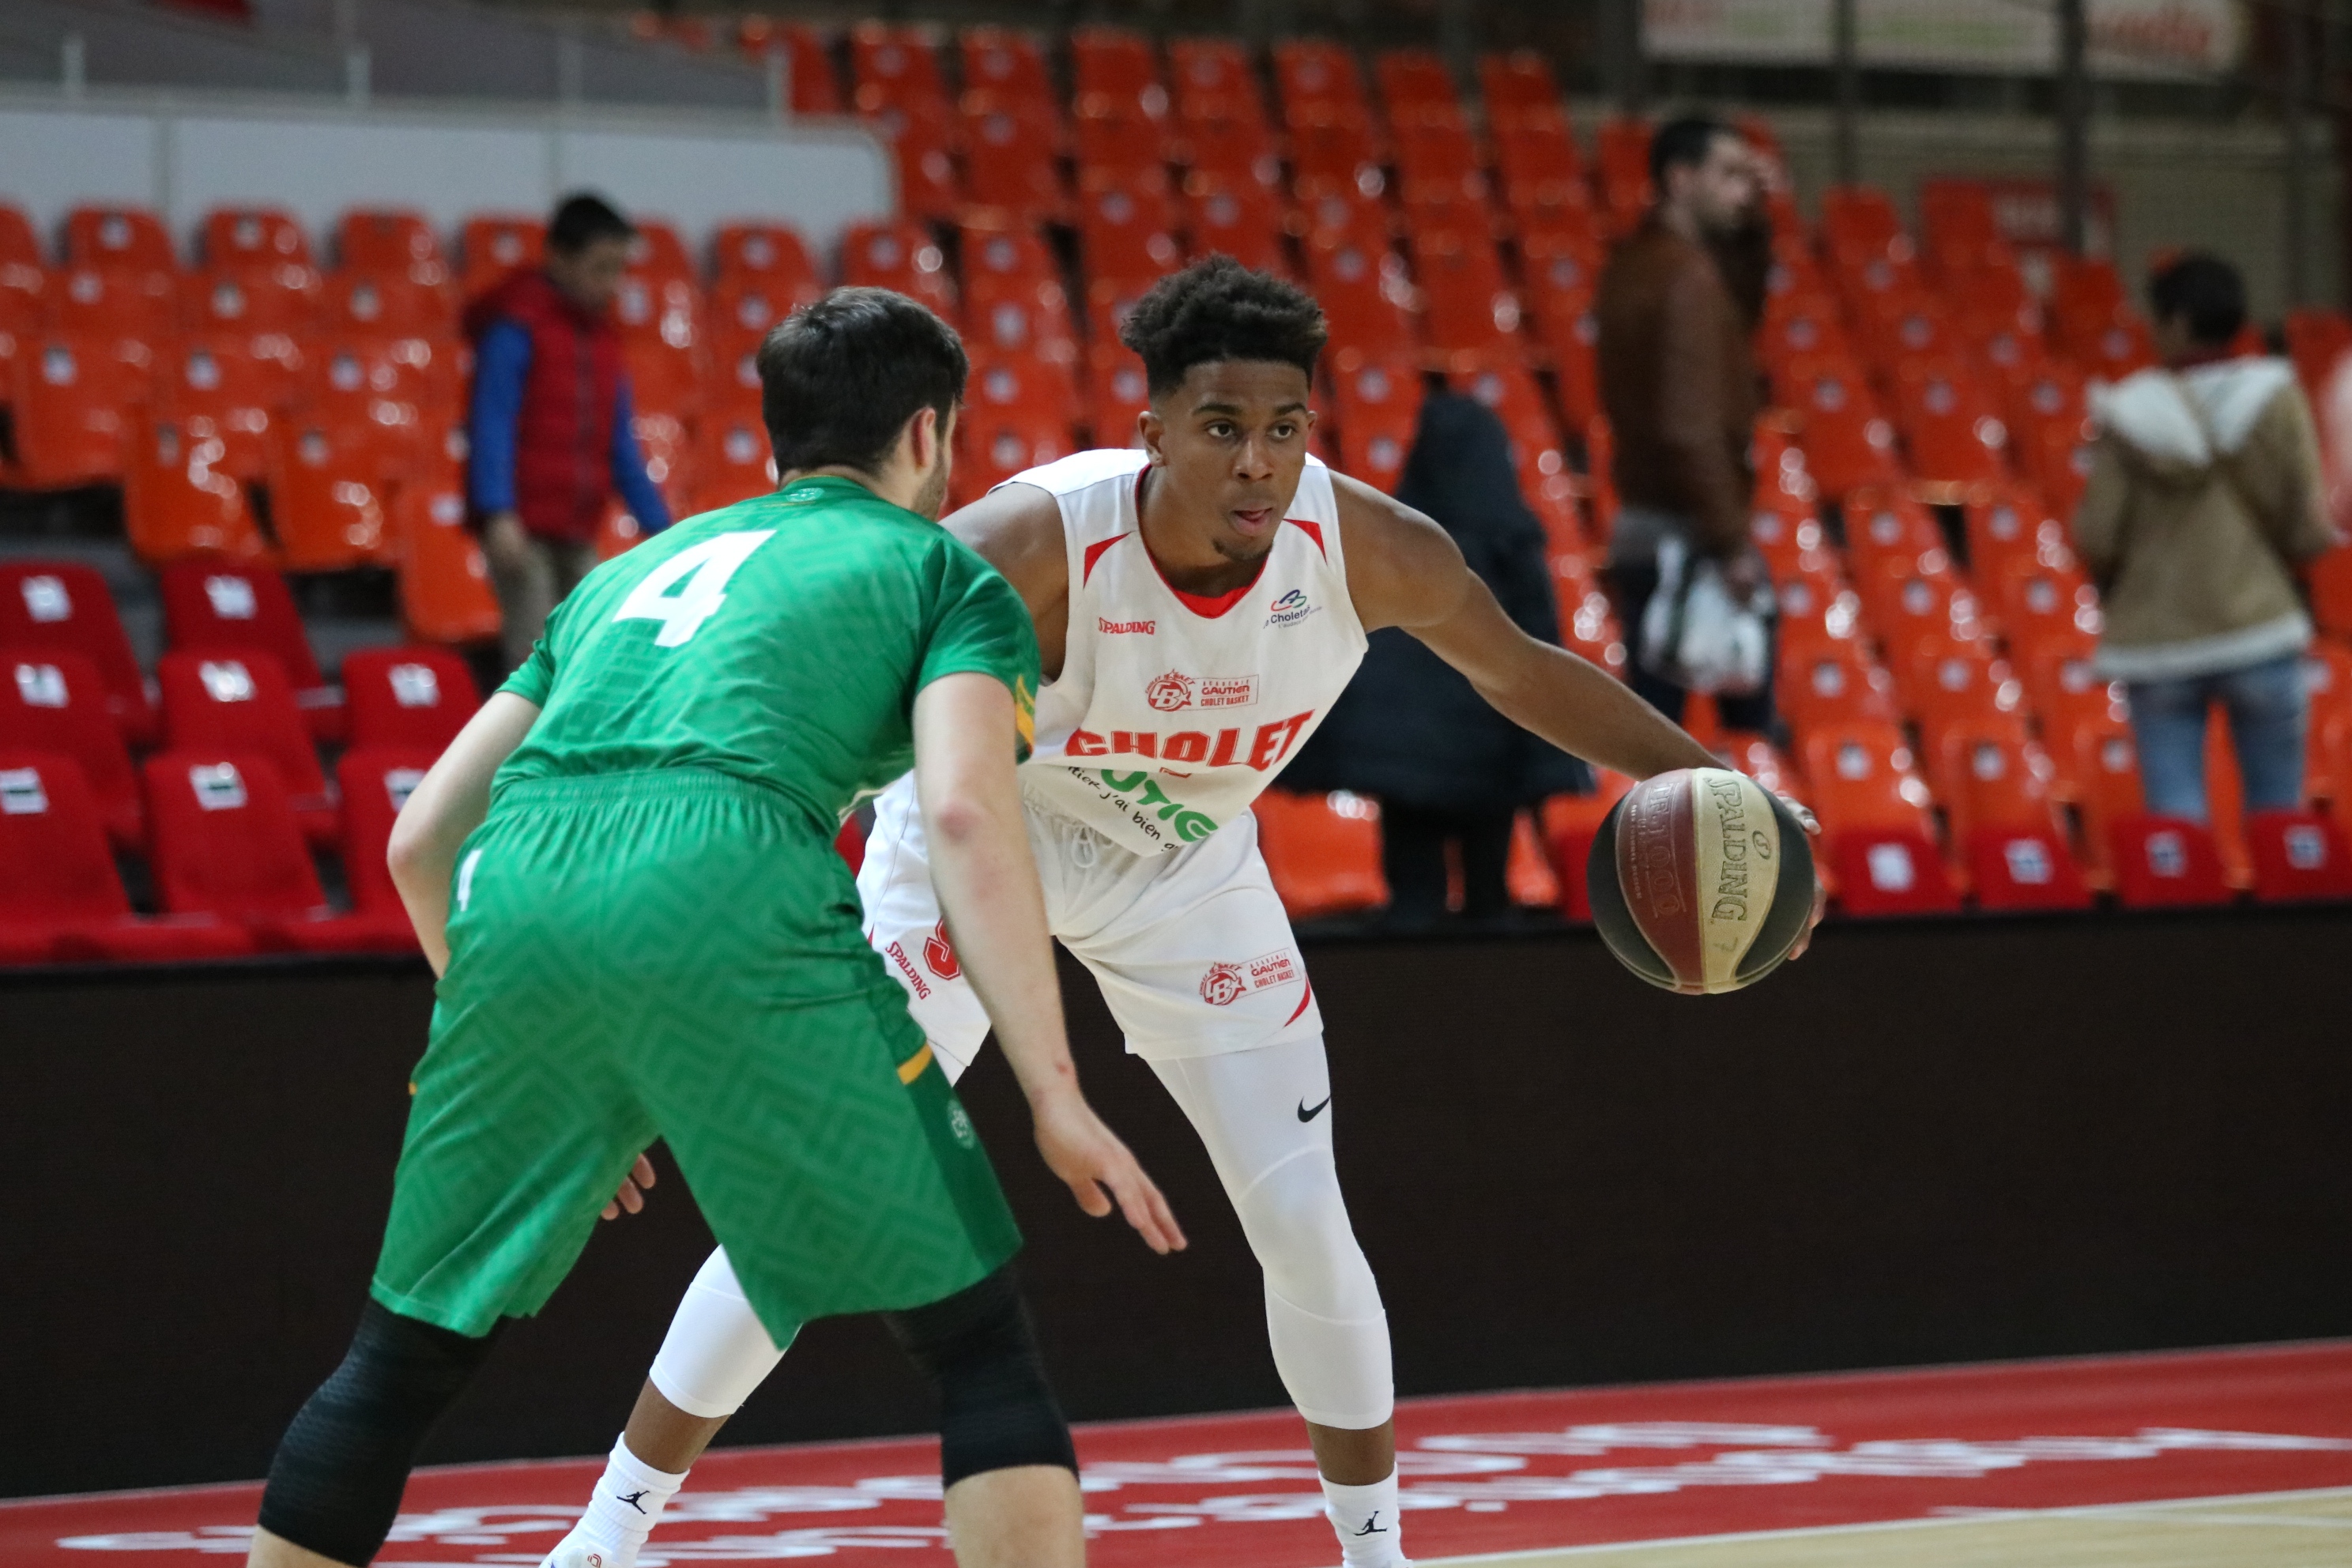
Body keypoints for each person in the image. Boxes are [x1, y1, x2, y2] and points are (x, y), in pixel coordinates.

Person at [541, 257, 1822, 1568]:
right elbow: (792, 753)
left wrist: (1721, 787)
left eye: (1284, 429)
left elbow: (1526, 672)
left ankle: (1375, 1551)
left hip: (1181, 863)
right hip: (987, 834)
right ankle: (608, 1532)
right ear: (1150, 429)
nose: (1257, 462)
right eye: (1221, 428)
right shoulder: (1024, 549)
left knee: (1303, 1216)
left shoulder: (1369, 547)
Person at [245, 288, 1182, 1568]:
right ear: (928, 433)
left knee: (396, 1359)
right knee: (973, 1342)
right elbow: (963, 815)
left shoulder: (625, 573)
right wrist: (1054, 1086)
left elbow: (421, 840)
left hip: (517, 897)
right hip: (728, 870)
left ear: (775, 439)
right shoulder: (941, 570)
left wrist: (537, 1037)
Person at [1289, 388, 1589, 927]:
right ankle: (1494, 1005)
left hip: (1405, 763)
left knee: (1413, 905)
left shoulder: (1392, 538)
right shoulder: (1511, 543)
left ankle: (1411, 1006)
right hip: (1490, 754)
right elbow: (1539, 647)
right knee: (1490, 905)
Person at [2075, 252, 2340, 823]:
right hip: (2261, 629)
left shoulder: (2129, 412)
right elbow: (2306, 521)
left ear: (2175, 322)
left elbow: (2097, 534)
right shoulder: (2277, 398)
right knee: (2280, 820)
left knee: (2178, 827)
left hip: (2159, 641)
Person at [1595, 115, 1773, 729]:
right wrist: (1730, 542)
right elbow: (1689, 424)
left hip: (1645, 527)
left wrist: (1754, 225)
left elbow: (1742, 310)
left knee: (1650, 741)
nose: (1743, 191)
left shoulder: (1635, 265)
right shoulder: (1688, 280)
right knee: (1749, 743)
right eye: (1729, 176)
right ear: (1680, 178)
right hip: (1692, 541)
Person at [466, 191, 675, 674]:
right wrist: (498, 514)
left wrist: (665, 531)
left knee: (589, 645)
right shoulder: (515, 327)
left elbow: (621, 445)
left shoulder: (603, 339)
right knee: (535, 660)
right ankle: (525, 752)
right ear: (559, 258)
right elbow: (491, 423)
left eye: (620, 269)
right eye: (602, 268)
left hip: (578, 524)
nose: (613, 284)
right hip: (523, 527)